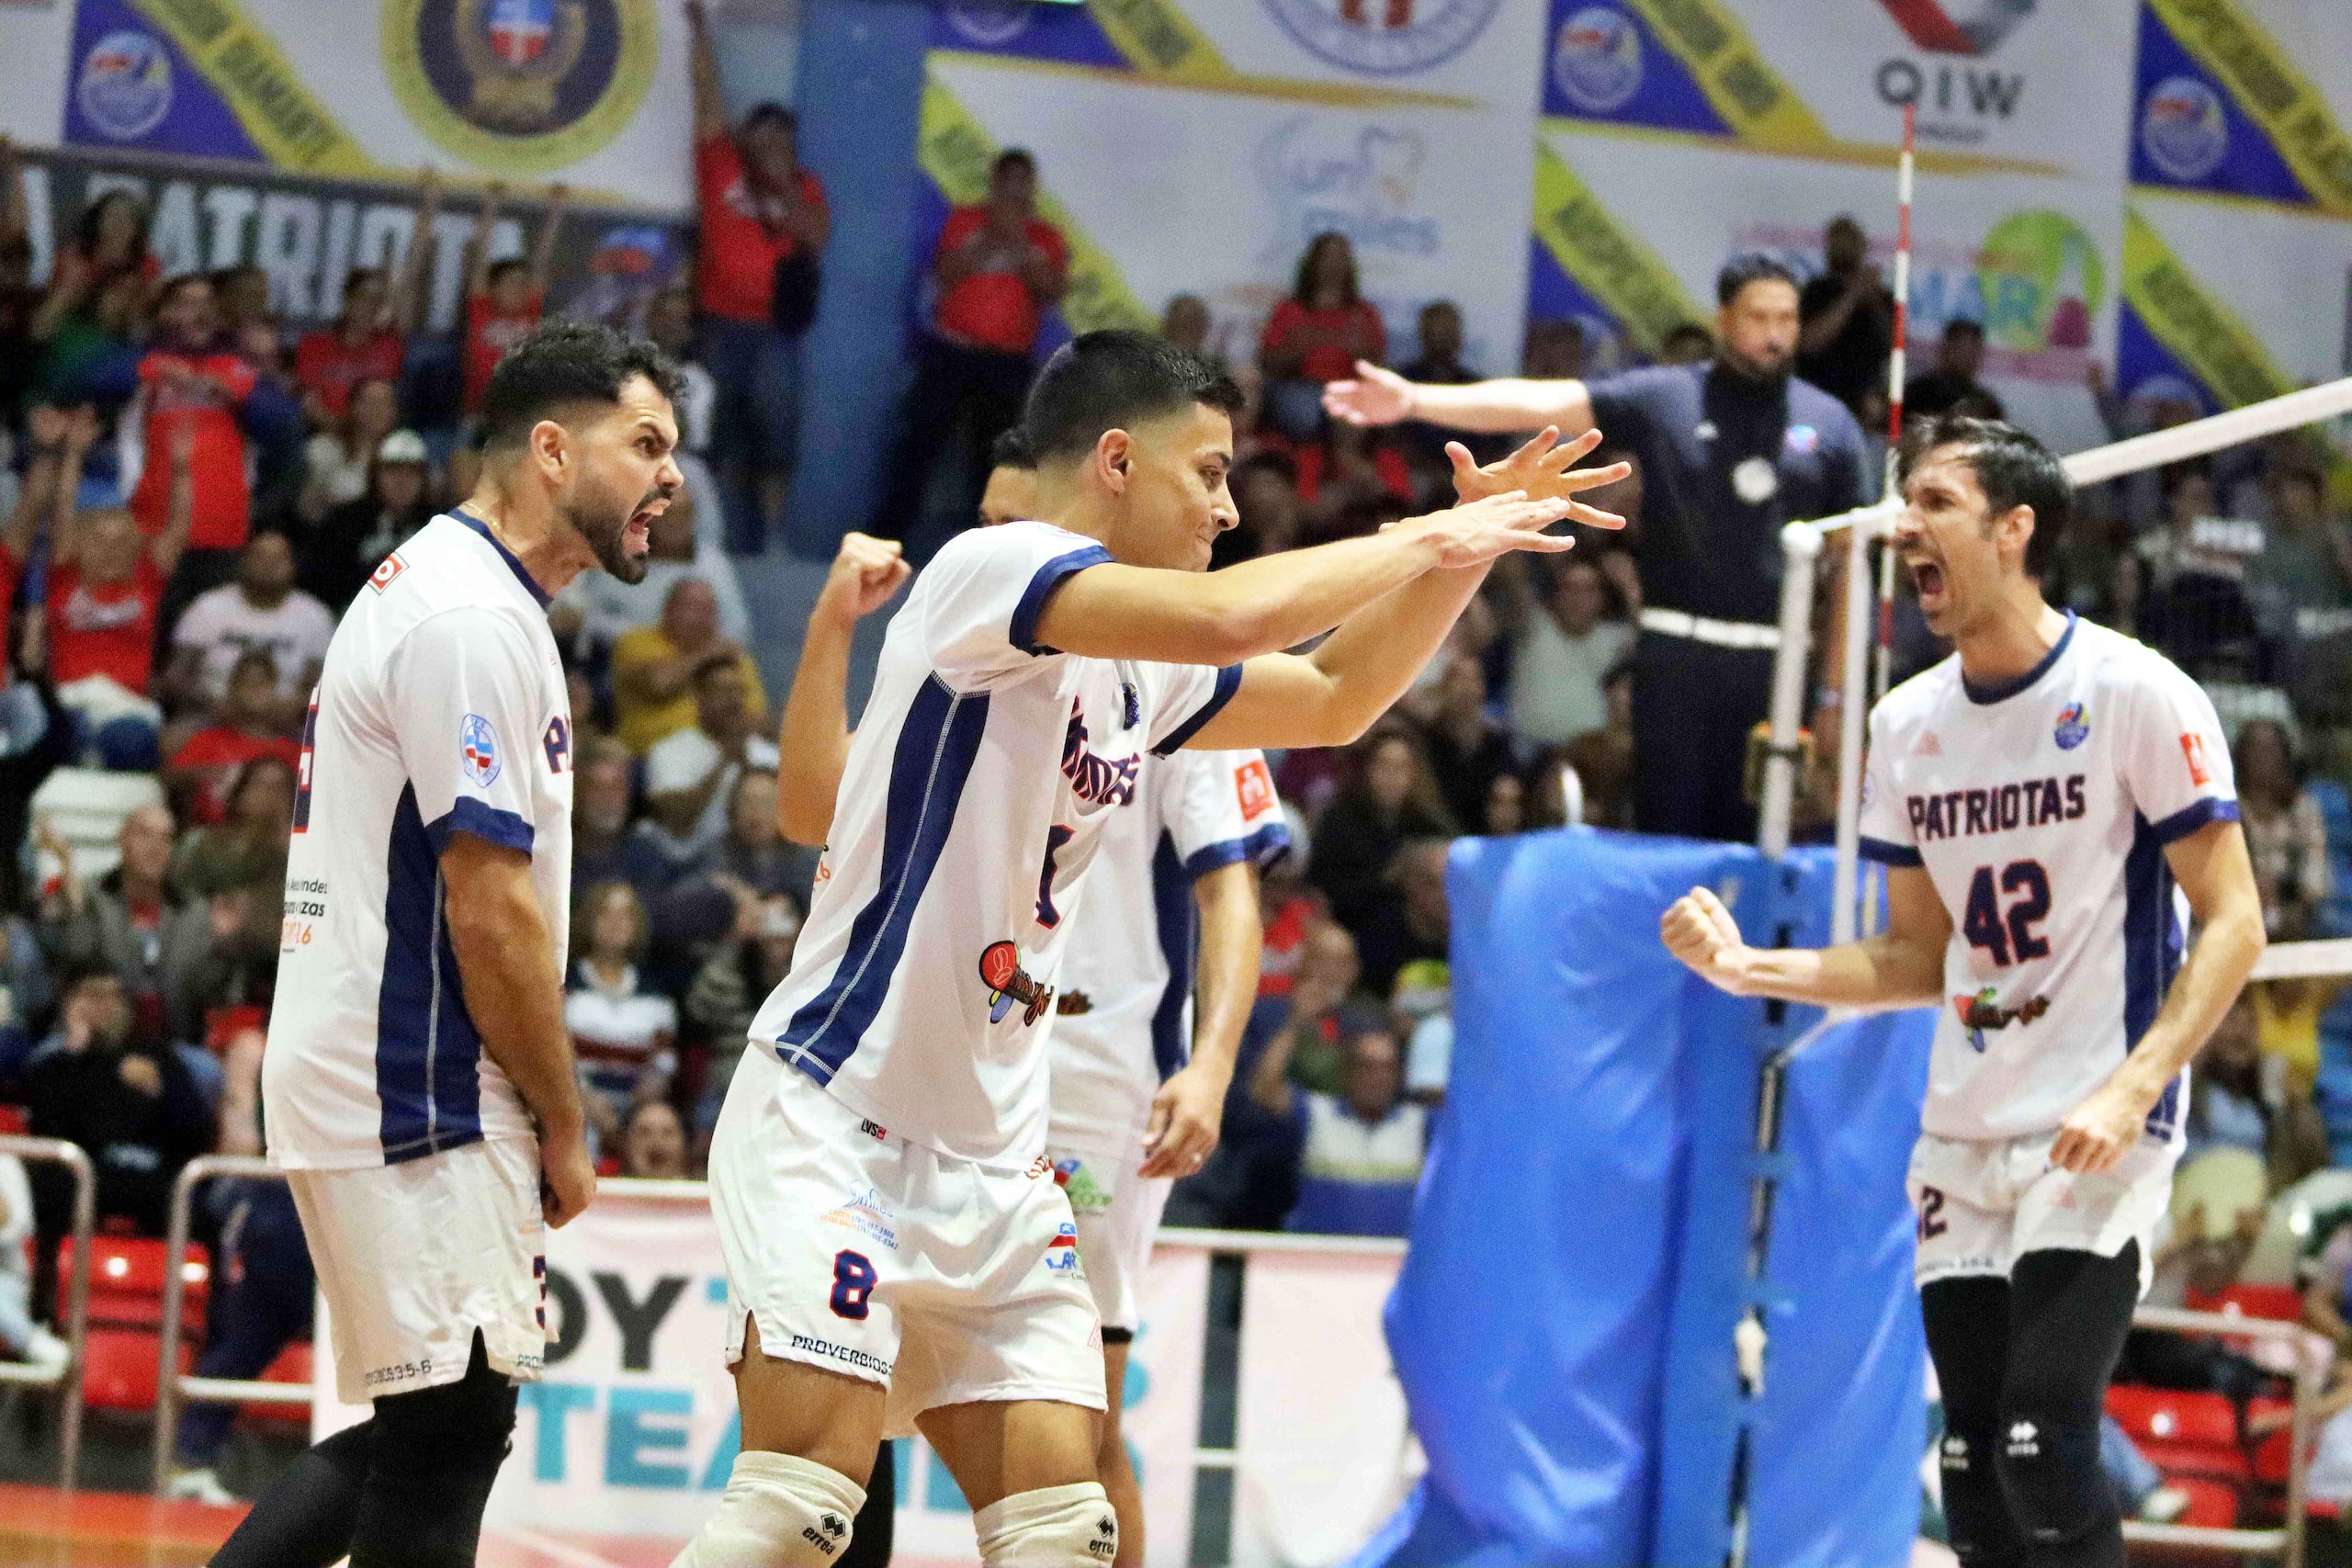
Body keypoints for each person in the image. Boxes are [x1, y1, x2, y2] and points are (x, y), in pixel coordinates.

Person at [668, 330, 1616, 1567]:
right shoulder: (990, 567)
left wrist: (1462, 553)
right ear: (1116, 458)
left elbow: (1335, 695)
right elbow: (1230, 615)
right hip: (841, 1108)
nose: (1228, 506)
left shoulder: (1140, 668)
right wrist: (1420, 532)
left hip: (1000, 1149)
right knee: (804, 1506)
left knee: (1071, 1526)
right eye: (1210, 472)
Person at [1661, 415, 2268, 1568]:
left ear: (2014, 528)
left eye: (1933, 501)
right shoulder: (1907, 726)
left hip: (2096, 1120)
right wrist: (1747, 966)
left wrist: (2134, 1089)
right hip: (1963, 1130)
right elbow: (1910, 958)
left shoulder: (2135, 691)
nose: (1903, 526)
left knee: (2043, 1442)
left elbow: (2236, 922)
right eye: (1904, 503)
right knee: (1970, 1465)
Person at [210, 321, 681, 1568]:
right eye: (643, 444)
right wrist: (567, 1122)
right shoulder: (470, 617)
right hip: (410, 1065)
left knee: (428, 1422)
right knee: (451, 1430)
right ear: (546, 450)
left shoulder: (462, 593)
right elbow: (490, 908)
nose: (669, 477)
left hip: (381, 1050)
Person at [773, 509, 1286, 1568]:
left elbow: (1232, 891)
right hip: (928, 1068)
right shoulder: (963, 644)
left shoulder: (1162, 668)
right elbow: (810, 809)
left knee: (1077, 1433)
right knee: (848, 1415)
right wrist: (832, 625)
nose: (1023, 545)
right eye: (1001, 523)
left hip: (1095, 1080)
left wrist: (1215, 1060)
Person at [1326, 254, 1869, 841]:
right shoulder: (1668, 396)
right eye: (1759, 317)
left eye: (1787, 319)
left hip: (1779, 664)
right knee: (1668, 834)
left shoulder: (1832, 424)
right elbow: (1544, 403)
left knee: (1762, 839)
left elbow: (1852, 569)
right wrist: (1413, 400)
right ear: (1723, 319)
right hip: (1673, 653)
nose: (1774, 334)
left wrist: (1836, 692)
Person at [868, 149, 1068, 545]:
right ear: (993, 185)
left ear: (1031, 189)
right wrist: (990, 238)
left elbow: (1050, 293)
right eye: (1006, 184)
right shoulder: (965, 220)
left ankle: (989, 550)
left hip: (1007, 362)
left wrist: (1020, 243)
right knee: (919, 446)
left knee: (993, 461)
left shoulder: (1046, 237)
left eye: (1021, 185)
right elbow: (944, 275)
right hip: (951, 352)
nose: (1013, 193)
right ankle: (884, 540)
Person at [686, 0, 830, 551]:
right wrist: (699, 30)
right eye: (762, 138)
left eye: (781, 140)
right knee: (712, 436)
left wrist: (784, 182)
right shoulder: (721, 163)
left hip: (775, 331)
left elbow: (817, 238)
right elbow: (707, 98)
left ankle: (771, 539)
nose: (770, 147)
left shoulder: (806, 187)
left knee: (774, 441)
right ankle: (711, 537)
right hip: (719, 325)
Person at [166, 1026, 316, 1505]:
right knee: (250, 1334)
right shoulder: (259, 1046)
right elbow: (241, 1137)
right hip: (280, 1204)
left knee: (252, 1336)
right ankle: (191, 1457)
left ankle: (192, 1454)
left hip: (320, 1202)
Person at [131, 275, 259, 587]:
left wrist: (192, 379)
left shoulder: (235, 364)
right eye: (187, 304)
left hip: (220, 522)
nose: (200, 313)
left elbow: (259, 404)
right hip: (157, 520)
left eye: (206, 304)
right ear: (167, 313)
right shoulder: (146, 362)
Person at [1249, 1011, 1426, 1236]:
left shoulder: (1420, 1123)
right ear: (1346, 1071)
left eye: (1387, 1067)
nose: (1378, 1077)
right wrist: (1296, 1023)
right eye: (1366, 1066)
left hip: (1395, 1267)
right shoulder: (1318, 1113)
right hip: (1317, 1265)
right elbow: (1264, 1088)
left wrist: (1426, 1037)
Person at [293, 170, 435, 423]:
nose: (370, 306)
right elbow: (310, 405)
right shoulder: (315, 344)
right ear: (347, 299)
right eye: (364, 297)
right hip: (332, 438)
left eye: (378, 299)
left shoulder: (388, 343)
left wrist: (428, 206)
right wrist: (347, 434)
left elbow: (411, 279)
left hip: (382, 438)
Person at [163, 529, 334, 732]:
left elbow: (326, 685)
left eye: (278, 559)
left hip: (289, 721)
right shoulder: (208, 607)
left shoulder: (314, 615)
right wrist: (214, 704)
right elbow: (175, 678)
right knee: (173, 737)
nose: (269, 565)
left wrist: (297, 706)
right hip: (212, 713)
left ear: (292, 566)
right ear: (243, 561)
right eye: (261, 556)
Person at [566, 881, 679, 1142]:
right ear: (589, 920)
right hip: (575, 1108)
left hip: (635, 1117)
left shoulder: (656, 992)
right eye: (606, 912)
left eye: (625, 913)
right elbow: (554, 1056)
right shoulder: (565, 986)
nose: (616, 921)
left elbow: (662, 1065)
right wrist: (585, 1099)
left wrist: (630, 1114)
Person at [611, 576, 764, 755]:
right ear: (668, 611)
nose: (703, 617)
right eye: (693, 607)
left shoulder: (734, 657)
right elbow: (658, 685)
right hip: (651, 756)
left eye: (709, 609)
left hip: (723, 753)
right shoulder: (635, 642)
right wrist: (706, 655)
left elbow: (758, 718)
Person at [1259, 232, 1385, 442]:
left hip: (1349, 388)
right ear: (1312, 263)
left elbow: (1377, 365)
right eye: (1326, 258)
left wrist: (1356, 354)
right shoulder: (1289, 310)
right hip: (1300, 387)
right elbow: (1267, 361)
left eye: (1340, 258)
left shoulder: (1364, 314)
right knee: (1304, 413)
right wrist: (1301, 352)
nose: (1333, 266)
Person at [459, 180, 568, 422]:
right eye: (511, 283)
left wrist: (556, 211)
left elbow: (542, 260)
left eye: (523, 283)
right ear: (493, 289)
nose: (519, 288)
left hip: (519, 416)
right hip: (478, 416)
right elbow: (479, 261)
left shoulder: (530, 311)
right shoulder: (482, 309)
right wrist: (491, 206)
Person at [164, 648, 302, 826]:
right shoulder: (207, 742)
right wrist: (198, 774)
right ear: (233, 689)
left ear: (274, 689)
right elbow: (169, 780)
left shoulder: (294, 750)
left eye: (262, 682)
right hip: (211, 835)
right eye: (248, 682)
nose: (255, 689)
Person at [304, 428, 436, 610]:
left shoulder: (438, 526)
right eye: (393, 471)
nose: (402, 481)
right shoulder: (344, 522)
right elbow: (323, 583)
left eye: (412, 472)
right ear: (375, 475)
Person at [1796, 215, 1894, 415]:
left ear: (1863, 246)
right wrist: (1853, 294)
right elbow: (1809, 342)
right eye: (1838, 240)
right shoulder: (1815, 292)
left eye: (1851, 240)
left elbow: (1891, 354)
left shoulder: (1882, 298)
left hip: (1864, 409)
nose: (1844, 247)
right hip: (1815, 400)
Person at [1906, 319, 2005, 422]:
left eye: (1974, 352)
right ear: (1945, 349)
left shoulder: (1987, 405)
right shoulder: (1920, 392)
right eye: (1962, 350)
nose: (1968, 358)